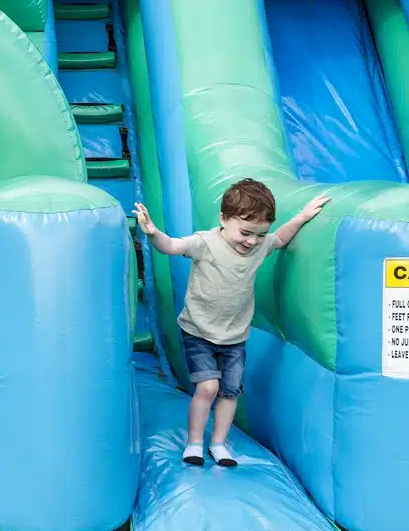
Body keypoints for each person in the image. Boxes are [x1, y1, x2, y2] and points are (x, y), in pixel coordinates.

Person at [134, 179, 328, 468]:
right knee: (208, 387)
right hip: (199, 330)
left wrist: (301, 216)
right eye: (246, 233)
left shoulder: (259, 246)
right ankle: (195, 442)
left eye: (259, 235)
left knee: (230, 391)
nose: (252, 241)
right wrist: (152, 233)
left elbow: (281, 238)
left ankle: (219, 444)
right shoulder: (206, 243)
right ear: (223, 219)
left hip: (235, 335)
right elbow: (172, 246)